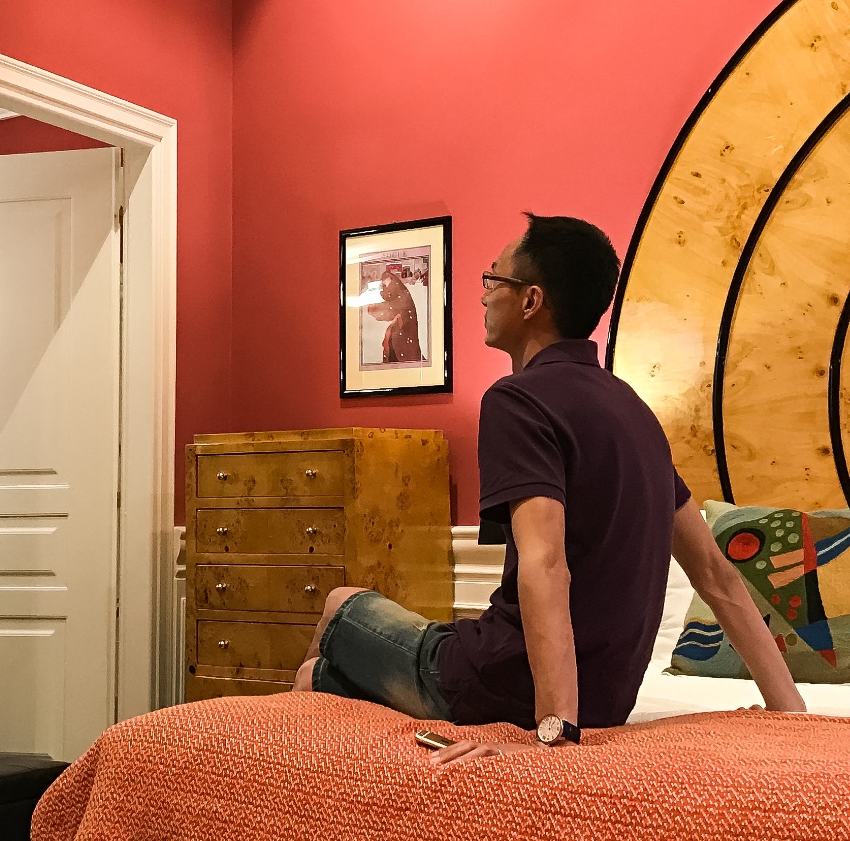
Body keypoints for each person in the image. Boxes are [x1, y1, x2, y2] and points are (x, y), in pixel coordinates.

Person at [292, 212, 805, 765]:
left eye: (493, 279)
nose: (483, 295)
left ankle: (290, 763)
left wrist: (554, 734)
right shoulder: (634, 410)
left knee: (340, 604)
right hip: (608, 700)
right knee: (327, 676)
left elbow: (545, 563)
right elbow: (716, 575)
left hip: (507, 686)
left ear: (530, 300)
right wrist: (792, 712)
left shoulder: (517, 400)